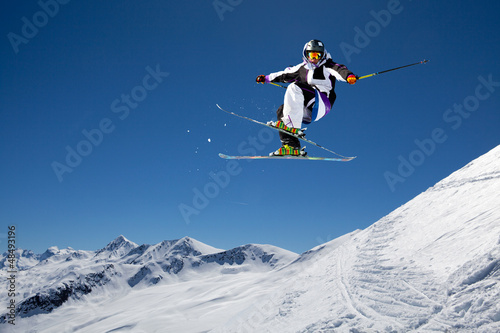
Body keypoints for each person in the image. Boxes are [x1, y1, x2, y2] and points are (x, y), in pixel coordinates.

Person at [256, 39, 357, 156]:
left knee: (294, 87)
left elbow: (340, 70)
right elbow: (284, 74)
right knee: (282, 110)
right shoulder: (302, 68)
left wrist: (348, 76)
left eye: (318, 55)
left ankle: (292, 127)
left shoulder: (327, 66)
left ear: (322, 55)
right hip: (308, 110)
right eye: (312, 54)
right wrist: (267, 78)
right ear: (306, 54)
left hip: (322, 102)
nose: (315, 57)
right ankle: (291, 145)